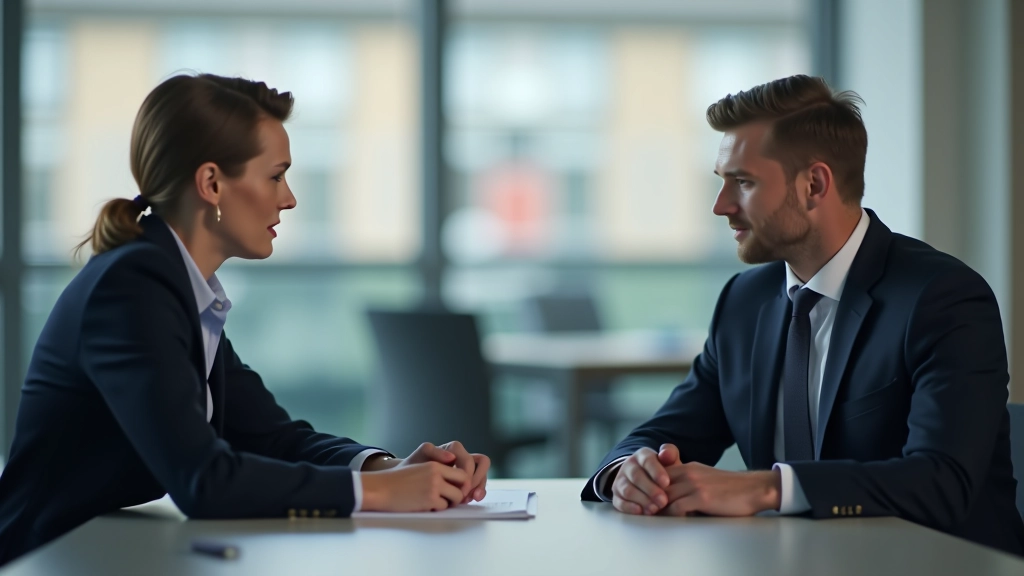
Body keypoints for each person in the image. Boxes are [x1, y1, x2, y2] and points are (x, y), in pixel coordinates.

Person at [0, 74, 491, 565]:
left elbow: (273, 437)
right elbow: (205, 482)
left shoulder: (179, 288)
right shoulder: (131, 291)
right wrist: (383, 494)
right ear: (211, 183)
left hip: (107, 553)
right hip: (44, 558)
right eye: (276, 176)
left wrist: (386, 468)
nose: (290, 198)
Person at [581, 74, 1024, 556]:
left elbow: (942, 480)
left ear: (814, 184)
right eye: (722, 182)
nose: (720, 206)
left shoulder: (941, 298)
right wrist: (628, 471)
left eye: (743, 182)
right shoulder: (744, 302)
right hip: (789, 562)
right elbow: (666, 433)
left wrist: (766, 488)